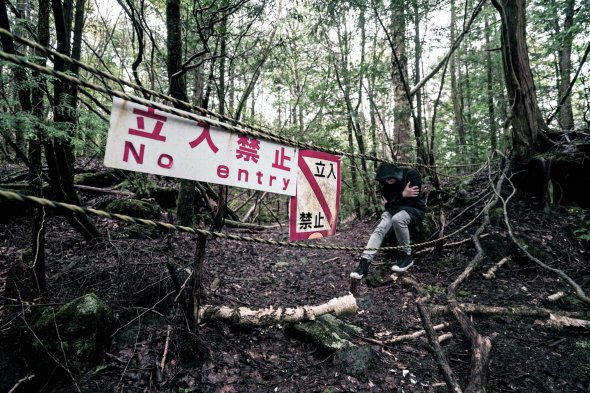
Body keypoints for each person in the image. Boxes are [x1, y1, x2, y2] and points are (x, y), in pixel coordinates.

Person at [350, 162, 426, 279]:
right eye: (385, 179)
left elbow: (413, 201)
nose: (388, 181)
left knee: (397, 218)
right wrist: (403, 195)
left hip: (414, 211)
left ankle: (406, 256)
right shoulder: (385, 185)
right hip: (394, 211)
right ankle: (364, 262)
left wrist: (394, 201)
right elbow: (387, 206)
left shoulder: (411, 175)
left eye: (390, 178)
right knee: (381, 227)